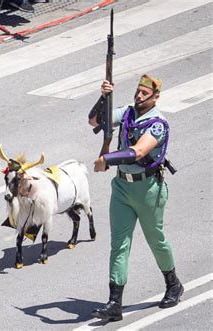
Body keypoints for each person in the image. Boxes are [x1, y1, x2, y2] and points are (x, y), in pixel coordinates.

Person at [88, 74, 184, 321]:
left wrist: (105, 160)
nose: (139, 97)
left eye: (145, 94)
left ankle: (173, 284)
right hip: (122, 187)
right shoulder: (128, 112)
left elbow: (138, 151)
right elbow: (95, 121)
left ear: (156, 98)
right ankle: (114, 304)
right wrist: (103, 97)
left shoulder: (158, 123)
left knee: (156, 240)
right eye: (138, 92)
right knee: (119, 244)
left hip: (148, 189)